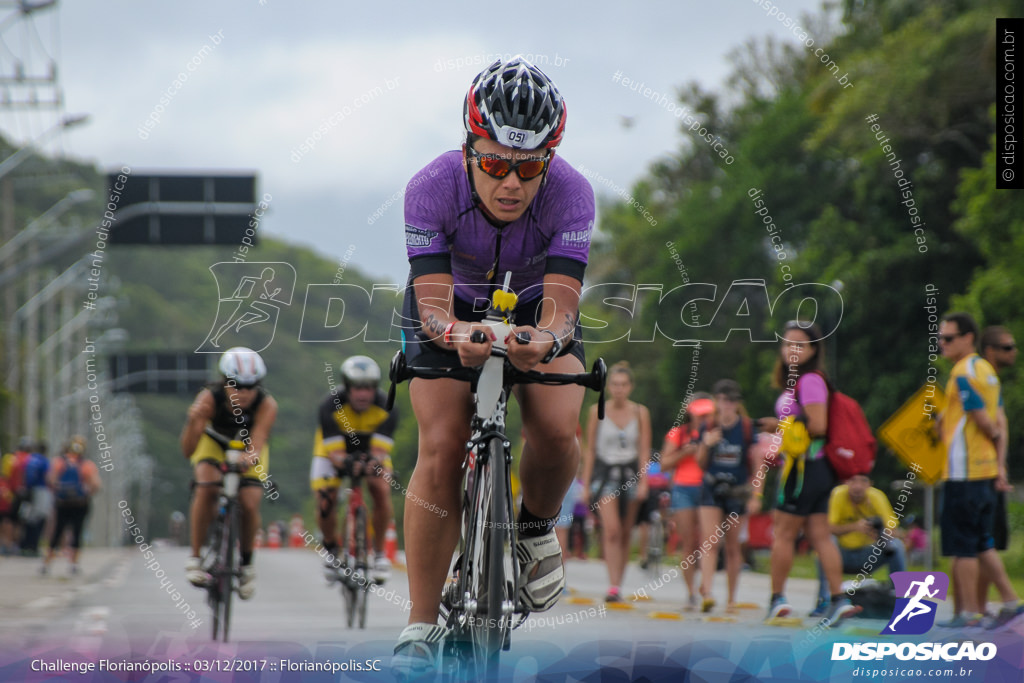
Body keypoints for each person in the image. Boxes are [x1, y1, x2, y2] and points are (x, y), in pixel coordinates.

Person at [392, 55, 594, 674]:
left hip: (535, 308)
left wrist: (548, 340)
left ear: (549, 161)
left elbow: (561, 308)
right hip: (448, 307)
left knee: (559, 431)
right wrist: (454, 332)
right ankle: (421, 623)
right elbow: (431, 307)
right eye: (496, 163)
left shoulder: (572, 194)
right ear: (469, 148)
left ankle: (534, 529)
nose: (512, 183)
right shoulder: (429, 187)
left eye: (530, 166)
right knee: (441, 445)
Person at [759, 320, 855, 626]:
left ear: (814, 349)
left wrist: (779, 426)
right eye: (788, 344)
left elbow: (818, 425)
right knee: (820, 536)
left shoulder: (811, 381)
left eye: (800, 344)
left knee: (784, 535)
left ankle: (778, 599)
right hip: (813, 470)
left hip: (804, 471)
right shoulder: (800, 381)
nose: (792, 350)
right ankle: (838, 600)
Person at [936, 313, 1023, 628]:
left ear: (968, 337)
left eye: (948, 338)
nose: (942, 344)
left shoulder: (963, 371)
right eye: (940, 339)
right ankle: (1010, 601)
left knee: (964, 545)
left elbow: (982, 419)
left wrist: (990, 434)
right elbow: (1000, 420)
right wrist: (999, 464)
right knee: (982, 542)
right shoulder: (987, 371)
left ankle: (969, 612)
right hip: (984, 470)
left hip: (964, 470)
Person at [181, 347, 277, 600]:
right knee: (207, 486)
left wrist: (249, 458)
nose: (243, 392)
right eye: (236, 386)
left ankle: (246, 564)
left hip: (247, 447)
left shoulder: (266, 404)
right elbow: (188, 450)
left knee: (249, 501)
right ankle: (195, 556)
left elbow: (257, 443)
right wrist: (194, 422)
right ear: (224, 382)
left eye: (250, 386)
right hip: (214, 443)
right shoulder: (208, 399)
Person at [311, 355, 397, 584]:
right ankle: (331, 552)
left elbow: (380, 452)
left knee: (380, 488)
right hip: (333, 451)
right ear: (347, 388)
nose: (363, 394)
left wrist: (373, 465)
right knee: (325, 500)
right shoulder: (329, 405)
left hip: (371, 450)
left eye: (368, 388)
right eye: (358, 388)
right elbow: (335, 456)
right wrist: (347, 464)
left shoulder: (387, 405)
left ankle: (379, 555)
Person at [582, 361, 652, 602]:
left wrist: (644, 482)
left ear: (630, 387)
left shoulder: (640, 413)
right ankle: (612, 584)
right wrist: (585, 482)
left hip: (630, 474)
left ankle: (618, 583)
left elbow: (644, 450)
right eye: (614, 384)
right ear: (608, 386)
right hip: (605, 475)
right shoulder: (596, 411)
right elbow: (589, 449)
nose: (619, 389)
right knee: (610, 530)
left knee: (624, 532)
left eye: (623, 384)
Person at [695, 379, 762, 613]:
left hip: (737, 490)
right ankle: (708, 592)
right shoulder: (709, 426)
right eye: (722, 400)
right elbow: (700, 463)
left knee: (733, 546)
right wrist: (706, 444)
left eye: (731, 400)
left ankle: (732, 598)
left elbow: (756, 463)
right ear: (716, 401)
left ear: (737, 403)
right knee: (710, 541)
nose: (726, 405)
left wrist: (756, 494)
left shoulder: (745, 427)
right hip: (712, 487)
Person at [814, 473, 907, 613]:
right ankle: (824, 601)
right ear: (846, 482)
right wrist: (854, 527)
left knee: (897, 545)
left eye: (863, 481)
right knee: (825, 544)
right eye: (853, 481)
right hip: (840, 555)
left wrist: (880, 533)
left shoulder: (876, 496)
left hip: (868, 555)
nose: (857, 486)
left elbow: (895, 530)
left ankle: (899, 599)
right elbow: (827, 528)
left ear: (870, 484)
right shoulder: (838, 494)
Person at [661, 393, 714, 610]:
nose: (703, 419)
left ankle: (706, 588)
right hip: (684, 488)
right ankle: (691, 592)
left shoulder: (715, 434)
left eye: (707, 415)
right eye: (699, 415)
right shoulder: (678, 434)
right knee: (689, 543)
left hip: (708, 488)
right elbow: (664, 464)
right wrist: (686, 452)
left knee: (708, 543)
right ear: (690, 414)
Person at [977, 325, 1017, 611]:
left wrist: (1000, 466)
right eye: (1007, 347)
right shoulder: (979, 375)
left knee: (985, 539)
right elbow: (995, 427)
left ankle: (978, 611)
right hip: (976, 470)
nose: (1013, 352)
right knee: (979, 540)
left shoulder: (992, 380)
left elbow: (1001, 426)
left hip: (989, 469)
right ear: (990, 350)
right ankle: (1008, 602)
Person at [40, 436, 101, 576]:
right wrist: (86, 493)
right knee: (77, 533)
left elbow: (50, 480)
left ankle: (46, 564)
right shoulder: (86, 464)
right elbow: (96, 485)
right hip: (80, 504)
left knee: (57, 533)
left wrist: (59, 491)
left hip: (62, 503)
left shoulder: (59, 462)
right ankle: (73, 565)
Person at [20, 441, 51, 556]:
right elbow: (49, 477)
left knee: (28, 519)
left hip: (28, 491)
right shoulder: (44, 461)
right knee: (40, 519)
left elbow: (22, 473)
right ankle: (34, 546)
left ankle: (24, 545)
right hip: (41, 491)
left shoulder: (29, 460)